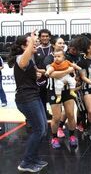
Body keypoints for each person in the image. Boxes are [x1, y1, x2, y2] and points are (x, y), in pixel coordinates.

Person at [8, 33, 48, 172]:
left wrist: (39, 73)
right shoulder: (21, 58)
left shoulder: (30, 59)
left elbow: (34, 72)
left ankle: (33, 159)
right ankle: (26, 163)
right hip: (26, 98)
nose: (35, 44)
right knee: (39, 130)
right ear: (24, 46)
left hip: (33, 96)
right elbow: (23, 62)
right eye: (31, 42)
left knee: (43, 130)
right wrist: (31, 40)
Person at [44, 37, 78, 149]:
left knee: (71, 114)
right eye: (59, 43)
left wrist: (72, 74)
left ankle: (72, 136)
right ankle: (54, 138)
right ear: (54, 45)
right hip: (54, 90)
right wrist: (67, 71)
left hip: (67, 90)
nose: (62, 44)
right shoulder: (49, 59)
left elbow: (73, 72)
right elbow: (53, 75)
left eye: (63, 43)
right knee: (57, 117)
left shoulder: (66, 57)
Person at [35, 29, 53, 120]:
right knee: (41, 99)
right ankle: (44, 114)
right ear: (39, 38)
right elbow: (34, 64)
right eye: (43, 36)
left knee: (54, 99)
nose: (45, 38)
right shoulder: (36, 50)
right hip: (41, 79)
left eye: (46, 36)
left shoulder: (54, 48)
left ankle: (58, 118)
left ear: (49, 37)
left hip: (54, 78)